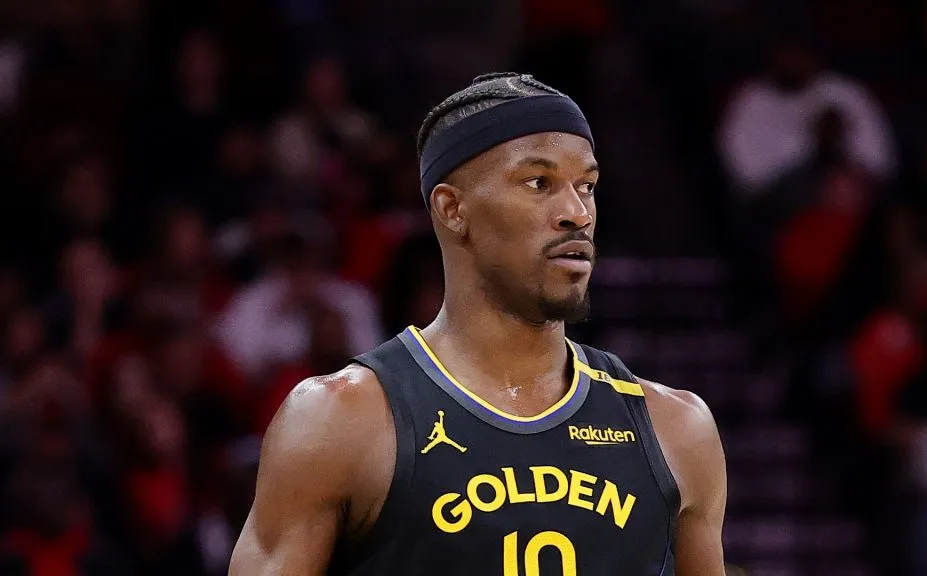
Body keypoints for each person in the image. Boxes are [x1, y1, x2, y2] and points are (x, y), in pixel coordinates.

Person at [229, 72, 728, 575]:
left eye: (587, 186)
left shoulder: (676, 429)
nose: (577, 213)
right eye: (540, 183)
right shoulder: (342, 420)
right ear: (452, 208)